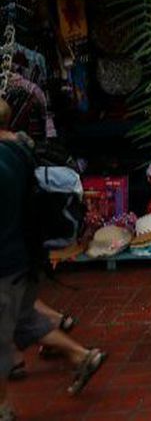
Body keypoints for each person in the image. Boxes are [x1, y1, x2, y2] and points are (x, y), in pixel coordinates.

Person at [0, 101, 104, 421]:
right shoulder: (19, 150)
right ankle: (81, 355)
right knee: (23, 320)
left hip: (5, 260)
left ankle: (3, 408)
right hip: (26, 253)